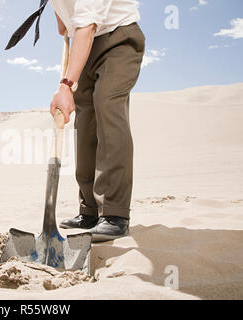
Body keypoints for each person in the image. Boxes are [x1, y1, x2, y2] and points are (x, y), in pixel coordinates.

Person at [48, 0, 145, 242]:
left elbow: (88, 25)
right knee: (86, 124)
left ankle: (115, 214)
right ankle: (89, 210)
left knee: (107, 106)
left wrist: (66, 85)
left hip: (118, 39)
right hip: (85, 46)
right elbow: (64, 27)